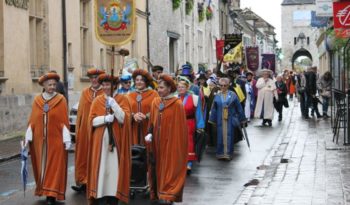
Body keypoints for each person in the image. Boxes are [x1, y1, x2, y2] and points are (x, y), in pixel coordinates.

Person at [25, 72, 71, 205]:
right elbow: (33, 120)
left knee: (55, 166)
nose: (52, 87)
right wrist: (28, 136)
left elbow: (64, 120)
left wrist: (67, 139)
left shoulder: (61, 99)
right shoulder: (37, 100)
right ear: (44, 85)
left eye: (54, 85)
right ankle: (45, 191)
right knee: (42, 166)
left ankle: (52, 195)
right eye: (49, 85)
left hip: (56, 141)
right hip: (40, 142)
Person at [87, 74, 131, 205]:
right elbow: (91, 121)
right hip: (100, 143)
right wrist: (105, 119)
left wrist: (115, 105)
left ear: (115, 85)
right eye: (104, 85)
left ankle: (114, 196)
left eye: (108, 85)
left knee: (114, 169)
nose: (106, 87)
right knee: (102, 168)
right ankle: (101, 194)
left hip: (117, 142)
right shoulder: (97, 101)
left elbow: (125, 119)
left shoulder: (122, 99)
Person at [146, 74, 188, 205]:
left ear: (170, 88)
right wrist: (150, 133)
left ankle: (168, 194)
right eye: (158, 87)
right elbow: (152, 122)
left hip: (170, 144)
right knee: (155, 167)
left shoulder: (177, 104)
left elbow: (179, 129)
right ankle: (158, 192)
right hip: (156, 143)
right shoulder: (155, 102)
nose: (159, 90)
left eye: (162, 88)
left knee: (169, 167)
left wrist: (174, 143)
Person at [72, 68, 105, 193]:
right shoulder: (85, 92)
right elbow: (80, 113)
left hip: (99, 129)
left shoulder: (105, 92)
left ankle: (97, 182)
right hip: (85, 130)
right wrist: (78, 130)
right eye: (91, 77)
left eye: (96, 77)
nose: (94, 80)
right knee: (83, 155)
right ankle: (83, 181)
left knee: (98, 155)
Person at [208, 77, 246, 160]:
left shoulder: (233, 95)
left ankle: (228, 154)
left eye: (225, 85)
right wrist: (212, 119)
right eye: (221, 85)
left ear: (228, 85)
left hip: (230, 119)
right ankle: (220, 154)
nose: (223, 87)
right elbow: (213, 108)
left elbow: (239, 107)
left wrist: (242, 118)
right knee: (220, 136)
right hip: (219, 119)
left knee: (229, 136)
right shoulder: (217, 96)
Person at [177, 77, 205, 173]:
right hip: (177, 123)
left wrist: (200, 126)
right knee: (178, 142)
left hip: (189, 122)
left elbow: (198, 113)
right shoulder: (174, 98)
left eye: (183, 87)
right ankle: (179, 162)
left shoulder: (194, 98)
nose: (180, 89)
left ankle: (189, 163)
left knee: (189, 142)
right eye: (179, 87)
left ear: (187, 88)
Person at [128, 69, 159, 145]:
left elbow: (158, 109)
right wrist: (133, 115)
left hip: (148, 128)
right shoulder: (129, 95)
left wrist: (147, 116)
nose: (139, 82)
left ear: (146, 82)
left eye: (142, 80)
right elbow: (126, 110)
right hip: (133, 128)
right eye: (137, 80)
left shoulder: (154, 94)